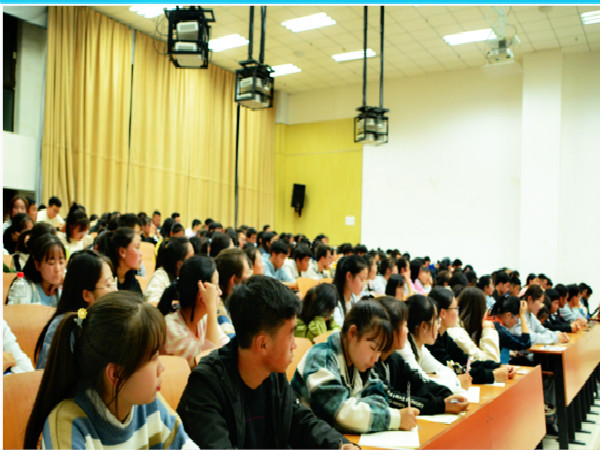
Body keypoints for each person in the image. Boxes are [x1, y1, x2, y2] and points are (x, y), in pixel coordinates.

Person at [177, 275, 356, 449]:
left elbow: (299, 421)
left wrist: (340, 445)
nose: (294, 344)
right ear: (263, 344)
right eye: (290, 334)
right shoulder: (206, 386)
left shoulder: (272, 374)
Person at [24, 291, 198, 449]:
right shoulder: (68, 425)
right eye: (153, 358)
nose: (162, 367)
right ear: (116, 374)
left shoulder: (150, 405)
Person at [292, 299, 418, 433]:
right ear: (352, 333)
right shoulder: (320, 357)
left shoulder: (358, 361)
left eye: (380, 351)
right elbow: (340, 414)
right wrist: (396, 418)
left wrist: (358, 411)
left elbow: (381, 398)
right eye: (373, 348)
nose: (375, 359)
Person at [375, 297, 469, 415]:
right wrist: (441, 404)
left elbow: (418, 383)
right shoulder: (376, 361)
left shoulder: (394, 358)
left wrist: (446, 394)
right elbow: (390, 397)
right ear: (389, 330)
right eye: (404, 325)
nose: (407, 330)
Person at [34, 250, 116, 369]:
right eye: (108, 285)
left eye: (113, 283)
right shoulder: (63, 328)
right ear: (86, 295)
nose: (115, 291)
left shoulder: (107, 321)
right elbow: (52, 376)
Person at [157, 256, 229, 368]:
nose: (220, 292)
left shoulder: (204, 319)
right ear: (202, 296)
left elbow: (228, 352)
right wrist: (211, 307)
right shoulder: (171, 330)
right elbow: (210, 366)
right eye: (216, 287)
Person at [427, 287, 507, 383]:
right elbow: (454, 370)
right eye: (455, 309)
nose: (458, 314)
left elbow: (467, 361)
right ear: (443, 313)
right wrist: (492, 375)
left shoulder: (444, 336)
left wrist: (498, 366)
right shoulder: (432, 341)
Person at [397, 295, 470, 393]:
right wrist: (457, 382)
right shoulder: (404, 347)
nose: (438, 326)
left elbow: (444, 370)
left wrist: (434, 377)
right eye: (437, 321)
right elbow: (423, 383)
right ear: (424, 326)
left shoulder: (420, 346)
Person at [6, 234, 66, 306]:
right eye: (51, 263)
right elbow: (15, 312)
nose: (58, 269)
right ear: (37, 264)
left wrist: (68, 284)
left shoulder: (62, 285)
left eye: (61, 262)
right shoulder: (23, 286)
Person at [447, 287, 501, 362]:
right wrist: (488, 329)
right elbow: (492, 361)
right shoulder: (456, 332)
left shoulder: (464, 328)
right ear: (481, 310)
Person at [144, 236, 193, 306]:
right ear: (179, 264)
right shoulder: (159, 278)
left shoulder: (184, 277)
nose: (194, 261)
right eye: (191, 258)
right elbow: (152, 305)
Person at [98, 227, 143, 294]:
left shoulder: (131, 279)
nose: (141, 253)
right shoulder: (106, 282)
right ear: (122, 252)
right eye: (137, 247)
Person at [490, 296, 532, 364]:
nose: (516, 323)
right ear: (508, 315)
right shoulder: (499, 330)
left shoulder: (492, 320)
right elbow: (526, 342)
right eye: (517, 319)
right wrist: (522, 316)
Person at [332, 254, 368, 326]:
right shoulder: (333, 300)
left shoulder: (355, 298)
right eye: (361, 279)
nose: (364, 284)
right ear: (349, 276)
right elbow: (339, 327)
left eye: (365, 280)